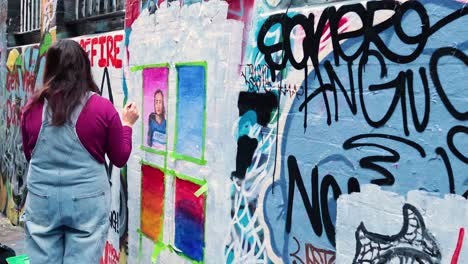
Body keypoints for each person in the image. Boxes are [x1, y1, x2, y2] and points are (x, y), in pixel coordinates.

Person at [20, 39, 139, 263]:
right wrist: (127, 125)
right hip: (87, 203)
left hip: (42, 201)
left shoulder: (32, 109)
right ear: (84, 67)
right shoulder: (102, 108)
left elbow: (30, 155)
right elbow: (120, 157)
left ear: (50, 69)